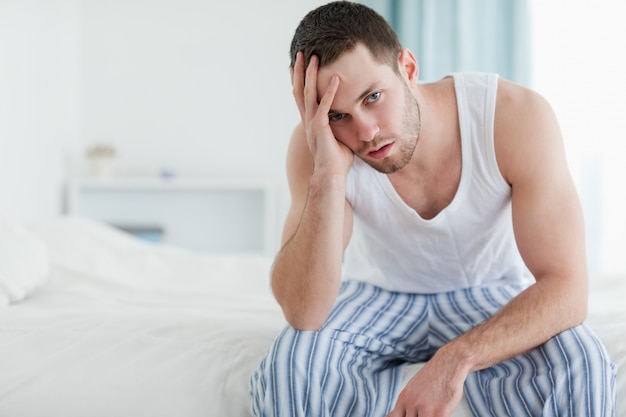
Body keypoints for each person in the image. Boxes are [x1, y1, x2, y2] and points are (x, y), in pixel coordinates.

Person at [250, 1, 616, 416]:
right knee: (291, 364)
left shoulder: (513, 117)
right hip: (378, 296)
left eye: (373, 97)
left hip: (488, 291)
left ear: (407, 67)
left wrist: (455, 359)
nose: (365, 132)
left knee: (581, 360)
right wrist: (329, 176)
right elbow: (305, 312)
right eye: (338, 115)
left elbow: (567, 289)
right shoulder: (317, 147)